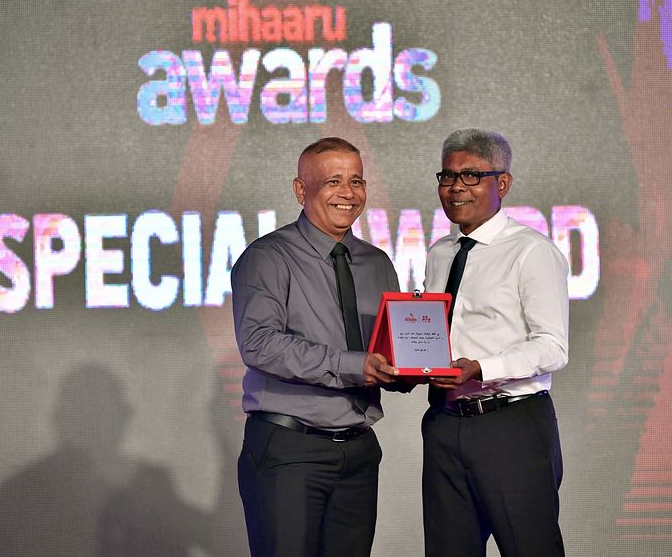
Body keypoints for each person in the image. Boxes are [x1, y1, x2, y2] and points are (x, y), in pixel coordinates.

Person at [231, 137, 403, 557]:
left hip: (359, 450)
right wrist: (355, 366)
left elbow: (390, 350)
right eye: (333, 181)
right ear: (300, 190)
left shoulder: (378, 263)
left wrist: (413, 369)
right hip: (291, 449)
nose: (348, 192)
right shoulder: (269, 257)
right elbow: (259, 344)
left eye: (356, 181)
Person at [422, 128, 569, 557]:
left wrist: (482, 368)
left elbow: (553, 346)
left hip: (510, 424)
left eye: (471, 176)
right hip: (445, 422)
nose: (456, 188)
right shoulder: (440, 252)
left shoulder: (531, 251)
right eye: (448, 177)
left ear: (502, 183)